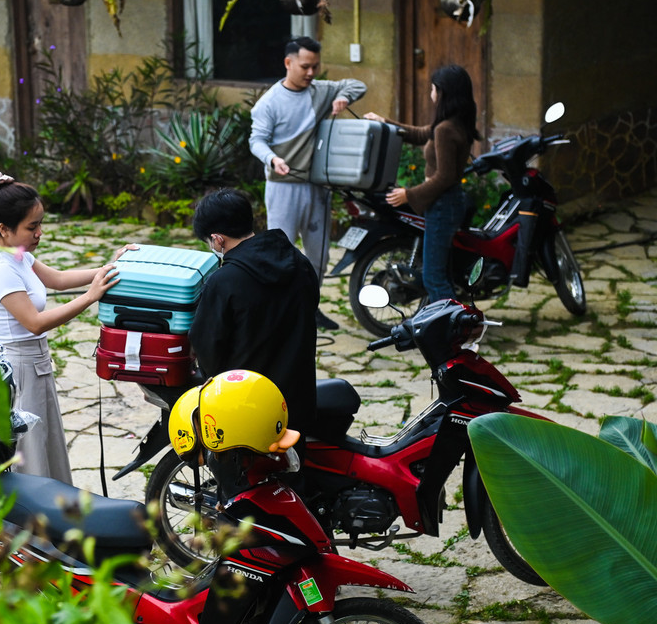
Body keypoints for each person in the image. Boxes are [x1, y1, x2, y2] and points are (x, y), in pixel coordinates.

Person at [0, 170, 133, 484]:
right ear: (4, 228)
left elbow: (57, 279)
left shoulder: (18, 256)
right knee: (30, 455)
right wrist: (91, 296)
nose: (39, 232)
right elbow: (35, 323)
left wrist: (110, 267)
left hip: (34, 365)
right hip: (17, 372)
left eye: (40, 223)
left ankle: (52, 522)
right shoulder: (2, 269)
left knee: (44, 445)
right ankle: (31, 530)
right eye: (32, 226)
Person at [249, 35, 367, 332]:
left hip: (317, 187)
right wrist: (273, 159)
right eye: (305, 66)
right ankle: (280, 313)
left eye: (315, 66)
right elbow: (256, 140)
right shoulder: (269, 102)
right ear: (288, 63)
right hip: (283, 185)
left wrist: (344, 98)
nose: (311, 73)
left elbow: (357, 85)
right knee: (281, 253)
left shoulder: (320, 91)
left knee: (319, 254)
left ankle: (310, 309)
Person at [188, 188, 318, 447]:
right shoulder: (301, 264)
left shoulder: (223, 282)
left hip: (246, 408)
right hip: (297, 406)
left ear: (217, 240)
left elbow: (207, 349)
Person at [363, 64, 480, 303]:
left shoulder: (446, 128)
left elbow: (445, 176)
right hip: (448, 203)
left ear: (443, 92)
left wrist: (409, 194)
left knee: (434, 278)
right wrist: (385, 122)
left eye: (433, 88)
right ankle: (452, 325)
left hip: (442, 205)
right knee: (441, 273)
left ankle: (449, 330)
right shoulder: (454, 122)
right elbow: (418, 133)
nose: (431, 93)